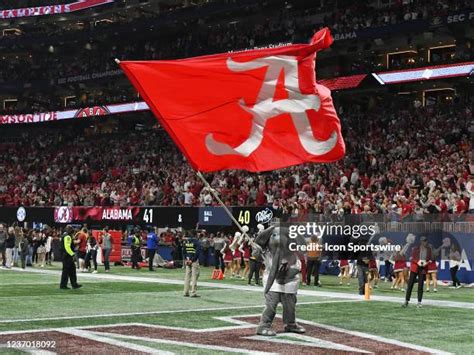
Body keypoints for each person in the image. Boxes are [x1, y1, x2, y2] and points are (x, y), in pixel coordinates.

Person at [403, 236, 432, 308]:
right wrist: (418, 262)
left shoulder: (428, 249)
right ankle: (406, 301)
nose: (425, 242)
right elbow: (413, 258)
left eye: (425, 241)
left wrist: (426, 263)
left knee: (420, 286)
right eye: (423, 241)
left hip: (422, 268)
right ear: (421, 242)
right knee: (410, 285)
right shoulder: (415, 249)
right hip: (415, 268)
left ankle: (419, 302)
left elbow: (429, 259)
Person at [60, 225, 82, 290]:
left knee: (71, 270)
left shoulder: (65, 235)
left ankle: (74, 284)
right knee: (66, 271)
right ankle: (64, 285)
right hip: (67, 256)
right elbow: (67, 247)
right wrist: (72, 254)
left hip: (65, 255)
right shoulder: (68, 237)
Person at [183, 231, 201, 297]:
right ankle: (193, 292)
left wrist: (186, 259)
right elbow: (197, 253)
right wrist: (192, 260)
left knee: (187, 277)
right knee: (194, 277)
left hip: (187, 260)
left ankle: (186, 292)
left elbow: (184, 251)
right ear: (195, 235)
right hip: (194, 261)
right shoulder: (197, 242)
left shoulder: (186, 242)